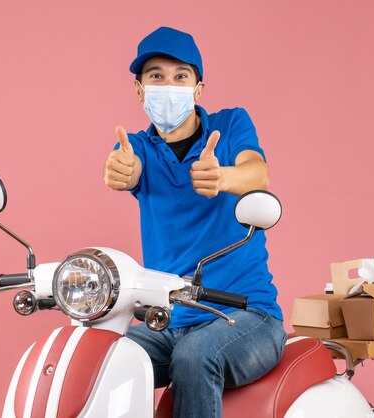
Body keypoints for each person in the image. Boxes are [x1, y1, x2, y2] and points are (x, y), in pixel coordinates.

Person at [103, 26, 287, 418]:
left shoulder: (231, 124)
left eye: (180, 76)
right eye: (156, 76)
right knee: (103, 357)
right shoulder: (136, 147)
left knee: (193, 355)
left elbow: (258, 173)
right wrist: (124, 172)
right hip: (167, 320)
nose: (168, 85)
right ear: (140, 90)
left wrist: (223, 178)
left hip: (248, 316)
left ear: (198, 88)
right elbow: (129, 169)